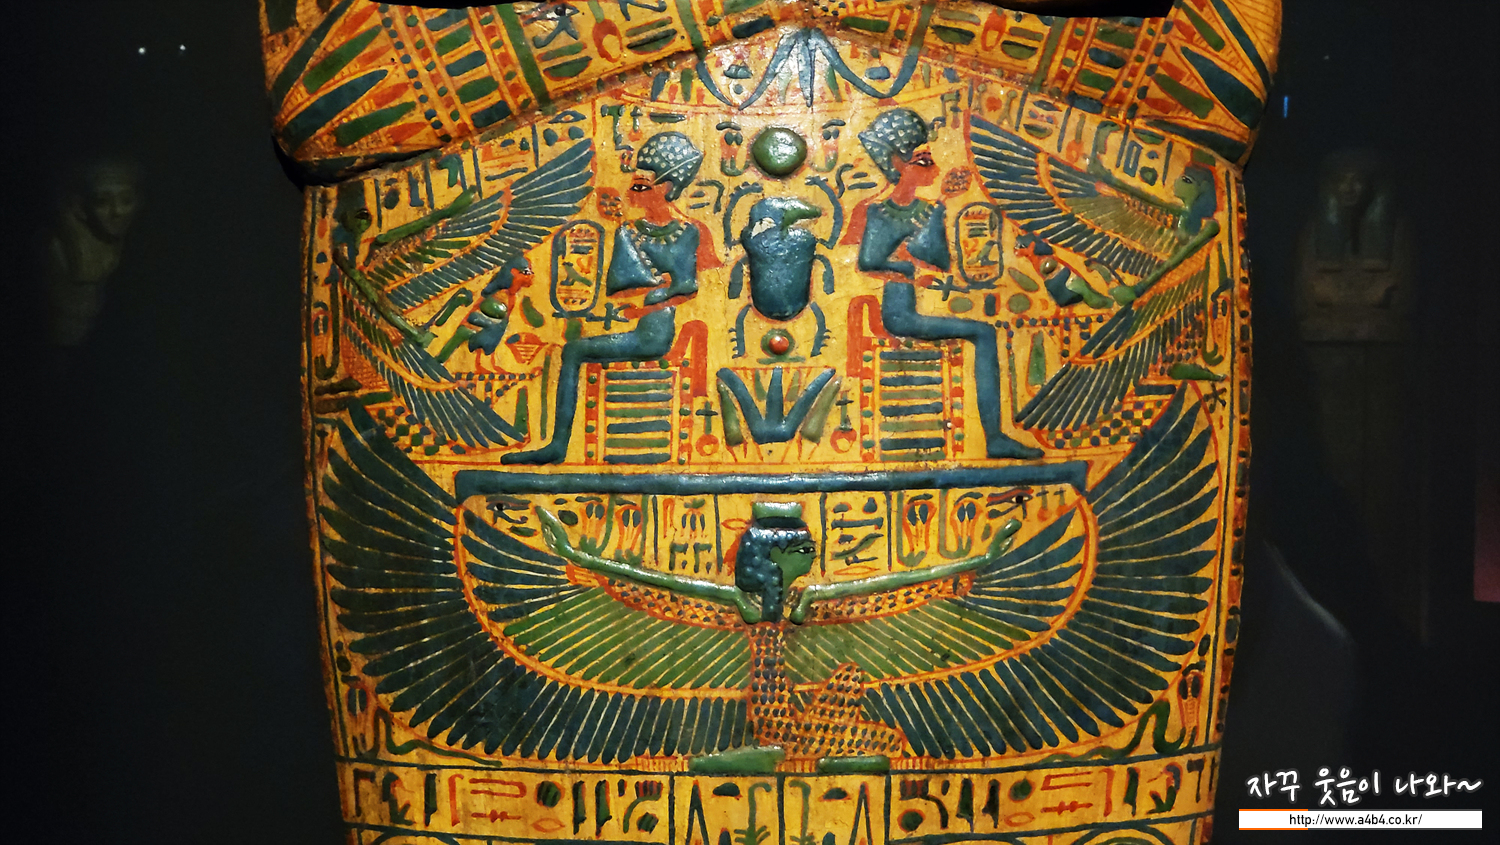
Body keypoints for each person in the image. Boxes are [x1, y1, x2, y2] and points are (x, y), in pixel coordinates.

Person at [504, 132, 720, 464]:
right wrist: (656, 290)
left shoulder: (691, 231)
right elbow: (621, 287)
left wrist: (650, 303)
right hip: (644, 325)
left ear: (664, 188)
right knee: (572, 347)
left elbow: (689, 289)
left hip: (655, 335)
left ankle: (558, 446)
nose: (630, 193)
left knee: (573, 351)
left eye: (641, 187)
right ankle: (558, 445)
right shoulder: (627, 232)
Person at [841, 108, 1042, 459]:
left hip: (915, 301)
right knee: (983, 333)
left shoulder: (929, 208)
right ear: (897, 164)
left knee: (985, 329)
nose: (933, 169)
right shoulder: (876, 212)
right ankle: (994, 439)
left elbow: (938, 258)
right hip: (899, 314)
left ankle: (996, 437)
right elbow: (869, 263)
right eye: (922, 161)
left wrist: (936, 215)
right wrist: (908, 265)